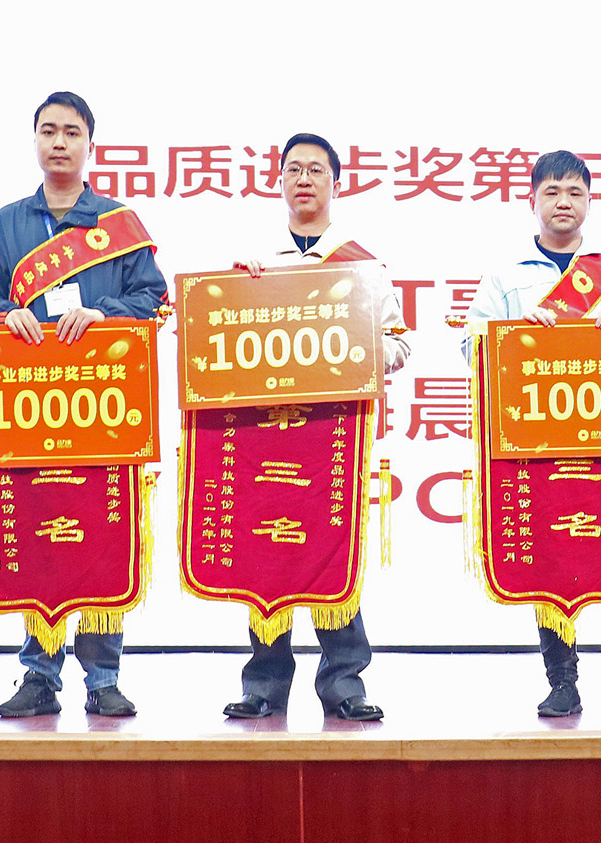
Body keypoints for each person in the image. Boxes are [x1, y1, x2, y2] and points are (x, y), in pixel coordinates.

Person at [0, 91, 168, 718]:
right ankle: (38, 674)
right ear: (35, 140)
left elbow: (154, 299)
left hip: (103, 406)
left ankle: (103, 676)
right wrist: (8, 314)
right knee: (40, 537)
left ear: (89, 145)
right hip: (31, 408)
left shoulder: (118, 223)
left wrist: (104, 313)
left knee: (103, 539)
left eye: (71, 132)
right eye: (48, 130)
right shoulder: (7, 224)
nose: (59, 142)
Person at [467, 150, 601, 717]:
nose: (563, 202)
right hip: (540, 444)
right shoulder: (506, 276)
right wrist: (514, 331)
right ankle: (562, 681)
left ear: (589, 202)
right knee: (552, 557)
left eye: (575, 192)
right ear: (531, 200)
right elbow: (470, 348)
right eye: (552, 191)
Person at [219, 132, 410, 721]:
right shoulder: (254, 264)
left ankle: (344, 682)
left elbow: (399, 346)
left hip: (333, 438)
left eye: (316, 170)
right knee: (266, 554)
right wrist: (234, 295)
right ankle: (265, 684)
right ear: (279, 181)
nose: (304, 179)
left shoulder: (363, 266)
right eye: (294, 169)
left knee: (333, 554)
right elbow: (216, 339)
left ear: (336, 182)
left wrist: (360, 347)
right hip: (264, 438)